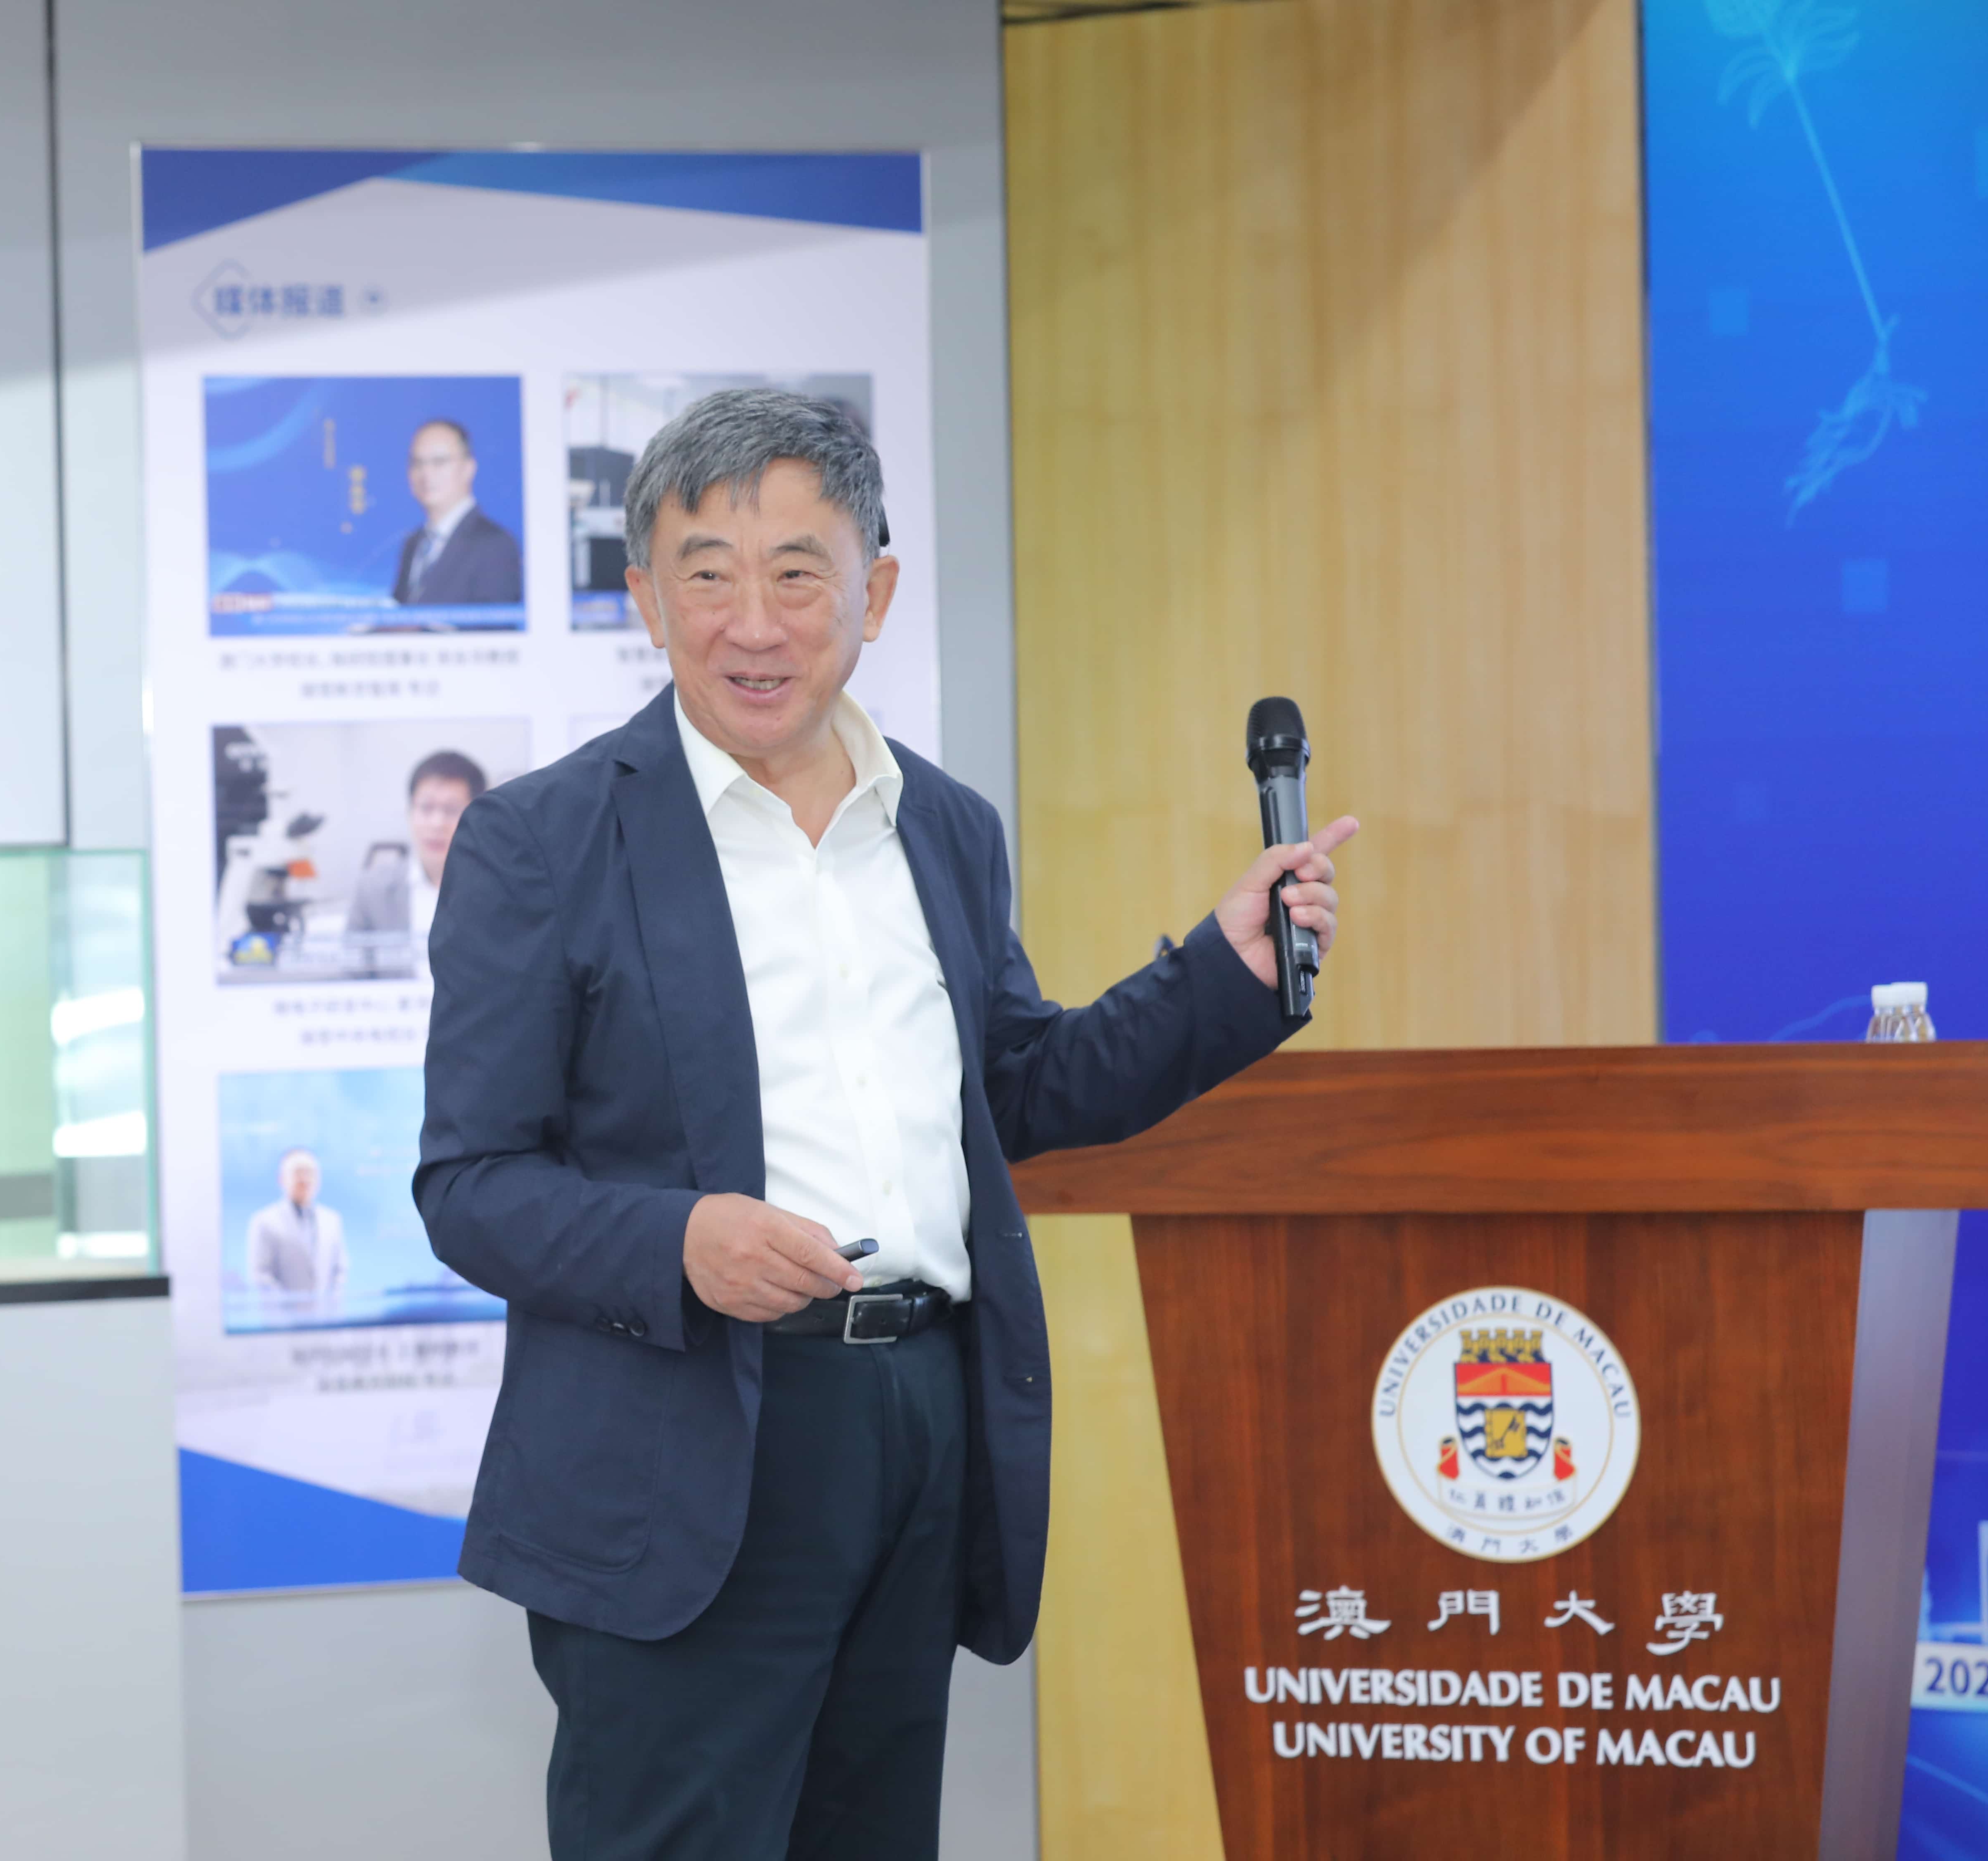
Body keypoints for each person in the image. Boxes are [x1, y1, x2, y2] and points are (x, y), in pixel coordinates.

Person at [414, 387, 1356, 1860]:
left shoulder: (943, 825)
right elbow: (470, 1182)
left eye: (798, 572)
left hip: (917, 1417)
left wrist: (1216, 978)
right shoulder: (543, 839)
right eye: (707, 574)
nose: (752, 622)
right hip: (689, 1437)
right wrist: (681, 1241)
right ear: (645, 599)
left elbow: (1013, 1089)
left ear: (876, 592)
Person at [345, 749, 487, 975]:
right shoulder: (373, 890)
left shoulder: (500, 888)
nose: (437, 823)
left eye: (452, 810)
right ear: (410, 812)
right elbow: (352, 975)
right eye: (426, 808)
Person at [390, 419, 522, 606]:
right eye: (417, 463)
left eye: (439, 462)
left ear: (468, 468)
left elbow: (494, 620)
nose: (426, 474)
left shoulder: (495, 544)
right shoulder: (414, 544)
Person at [245, 1148, 346, 1301]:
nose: (305, 1179)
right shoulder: (264, 1222)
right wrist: (288, 1309)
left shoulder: (332, 1220)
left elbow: (340, 1270)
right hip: (284, 1314)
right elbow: (261, 1275)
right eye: (298, 1172)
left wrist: (331, 1305)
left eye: (310, 1173)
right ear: (282, 1179)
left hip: (326, 1314)